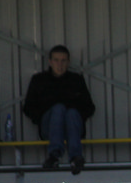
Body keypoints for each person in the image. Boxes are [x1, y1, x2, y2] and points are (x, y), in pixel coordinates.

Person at [22, 45, 95, 175]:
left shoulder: (76, 80)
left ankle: (75, 158)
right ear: (50, 62)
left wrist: (74, 114)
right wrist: (41, 117)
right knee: (58, 109)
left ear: (68, 62)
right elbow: (28, 107)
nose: (59, 64)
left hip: (73, 126)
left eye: (63, 60)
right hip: (49, 128)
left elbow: (89, 107)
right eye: (56, 60)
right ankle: (55, 155)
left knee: (71, 113)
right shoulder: (39, 80)